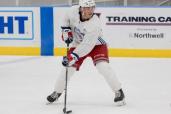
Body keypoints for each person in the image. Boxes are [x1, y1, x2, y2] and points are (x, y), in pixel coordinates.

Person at [47, 0, 125, 106]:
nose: (90, 11)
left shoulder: (95, 23)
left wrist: (73, 56)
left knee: (103, 67)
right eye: (87, 8)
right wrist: (66, 31)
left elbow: (87, 46)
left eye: (92, 8)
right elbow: (66, 20)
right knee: (68, 69)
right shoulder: (72, 11)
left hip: (96, 45)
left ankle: (118, 91)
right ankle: (57, 92)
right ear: (81, 8)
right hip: (77, 44)